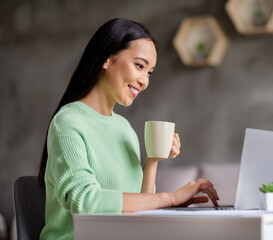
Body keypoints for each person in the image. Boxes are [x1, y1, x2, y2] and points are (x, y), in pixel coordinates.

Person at [38, 18, 219, 240]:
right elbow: (85, 202)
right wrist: (170, 197)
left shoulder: (124, 129)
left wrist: (153, 159)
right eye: (140, 66)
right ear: (107, 59)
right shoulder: (68, 122)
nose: (144, 81)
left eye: (150, 72)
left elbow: (137, 212)